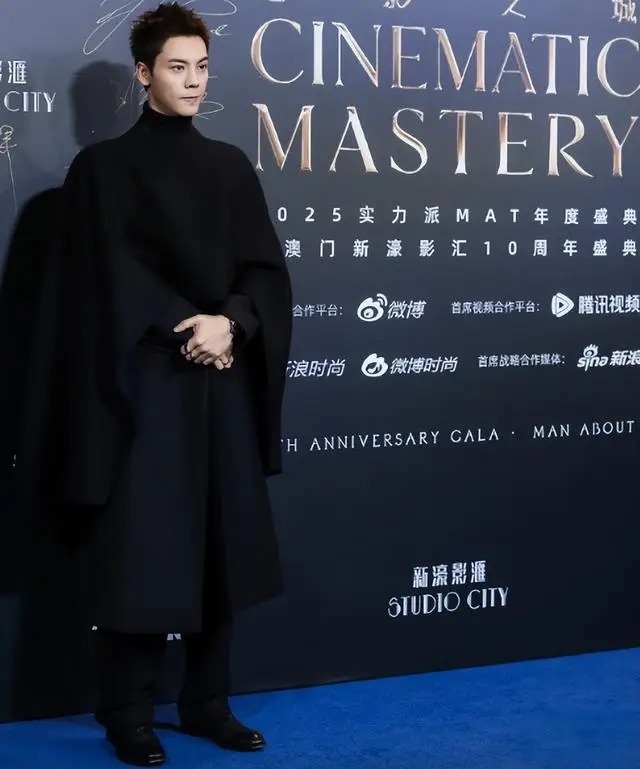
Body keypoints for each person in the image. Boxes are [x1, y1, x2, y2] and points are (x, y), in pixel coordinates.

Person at [8, 2, 292, 766]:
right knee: (138, 550)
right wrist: (185, 325)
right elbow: (104, 278)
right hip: (139, 388)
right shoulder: (101, 170)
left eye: (201, 67)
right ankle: (127, 709)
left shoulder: (229, 166)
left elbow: (264, 271)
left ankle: (208, 701)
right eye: (176, 67)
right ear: (143, 73)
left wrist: (231, 322)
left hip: (221, 381)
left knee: (218, 548)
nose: (193, 81)